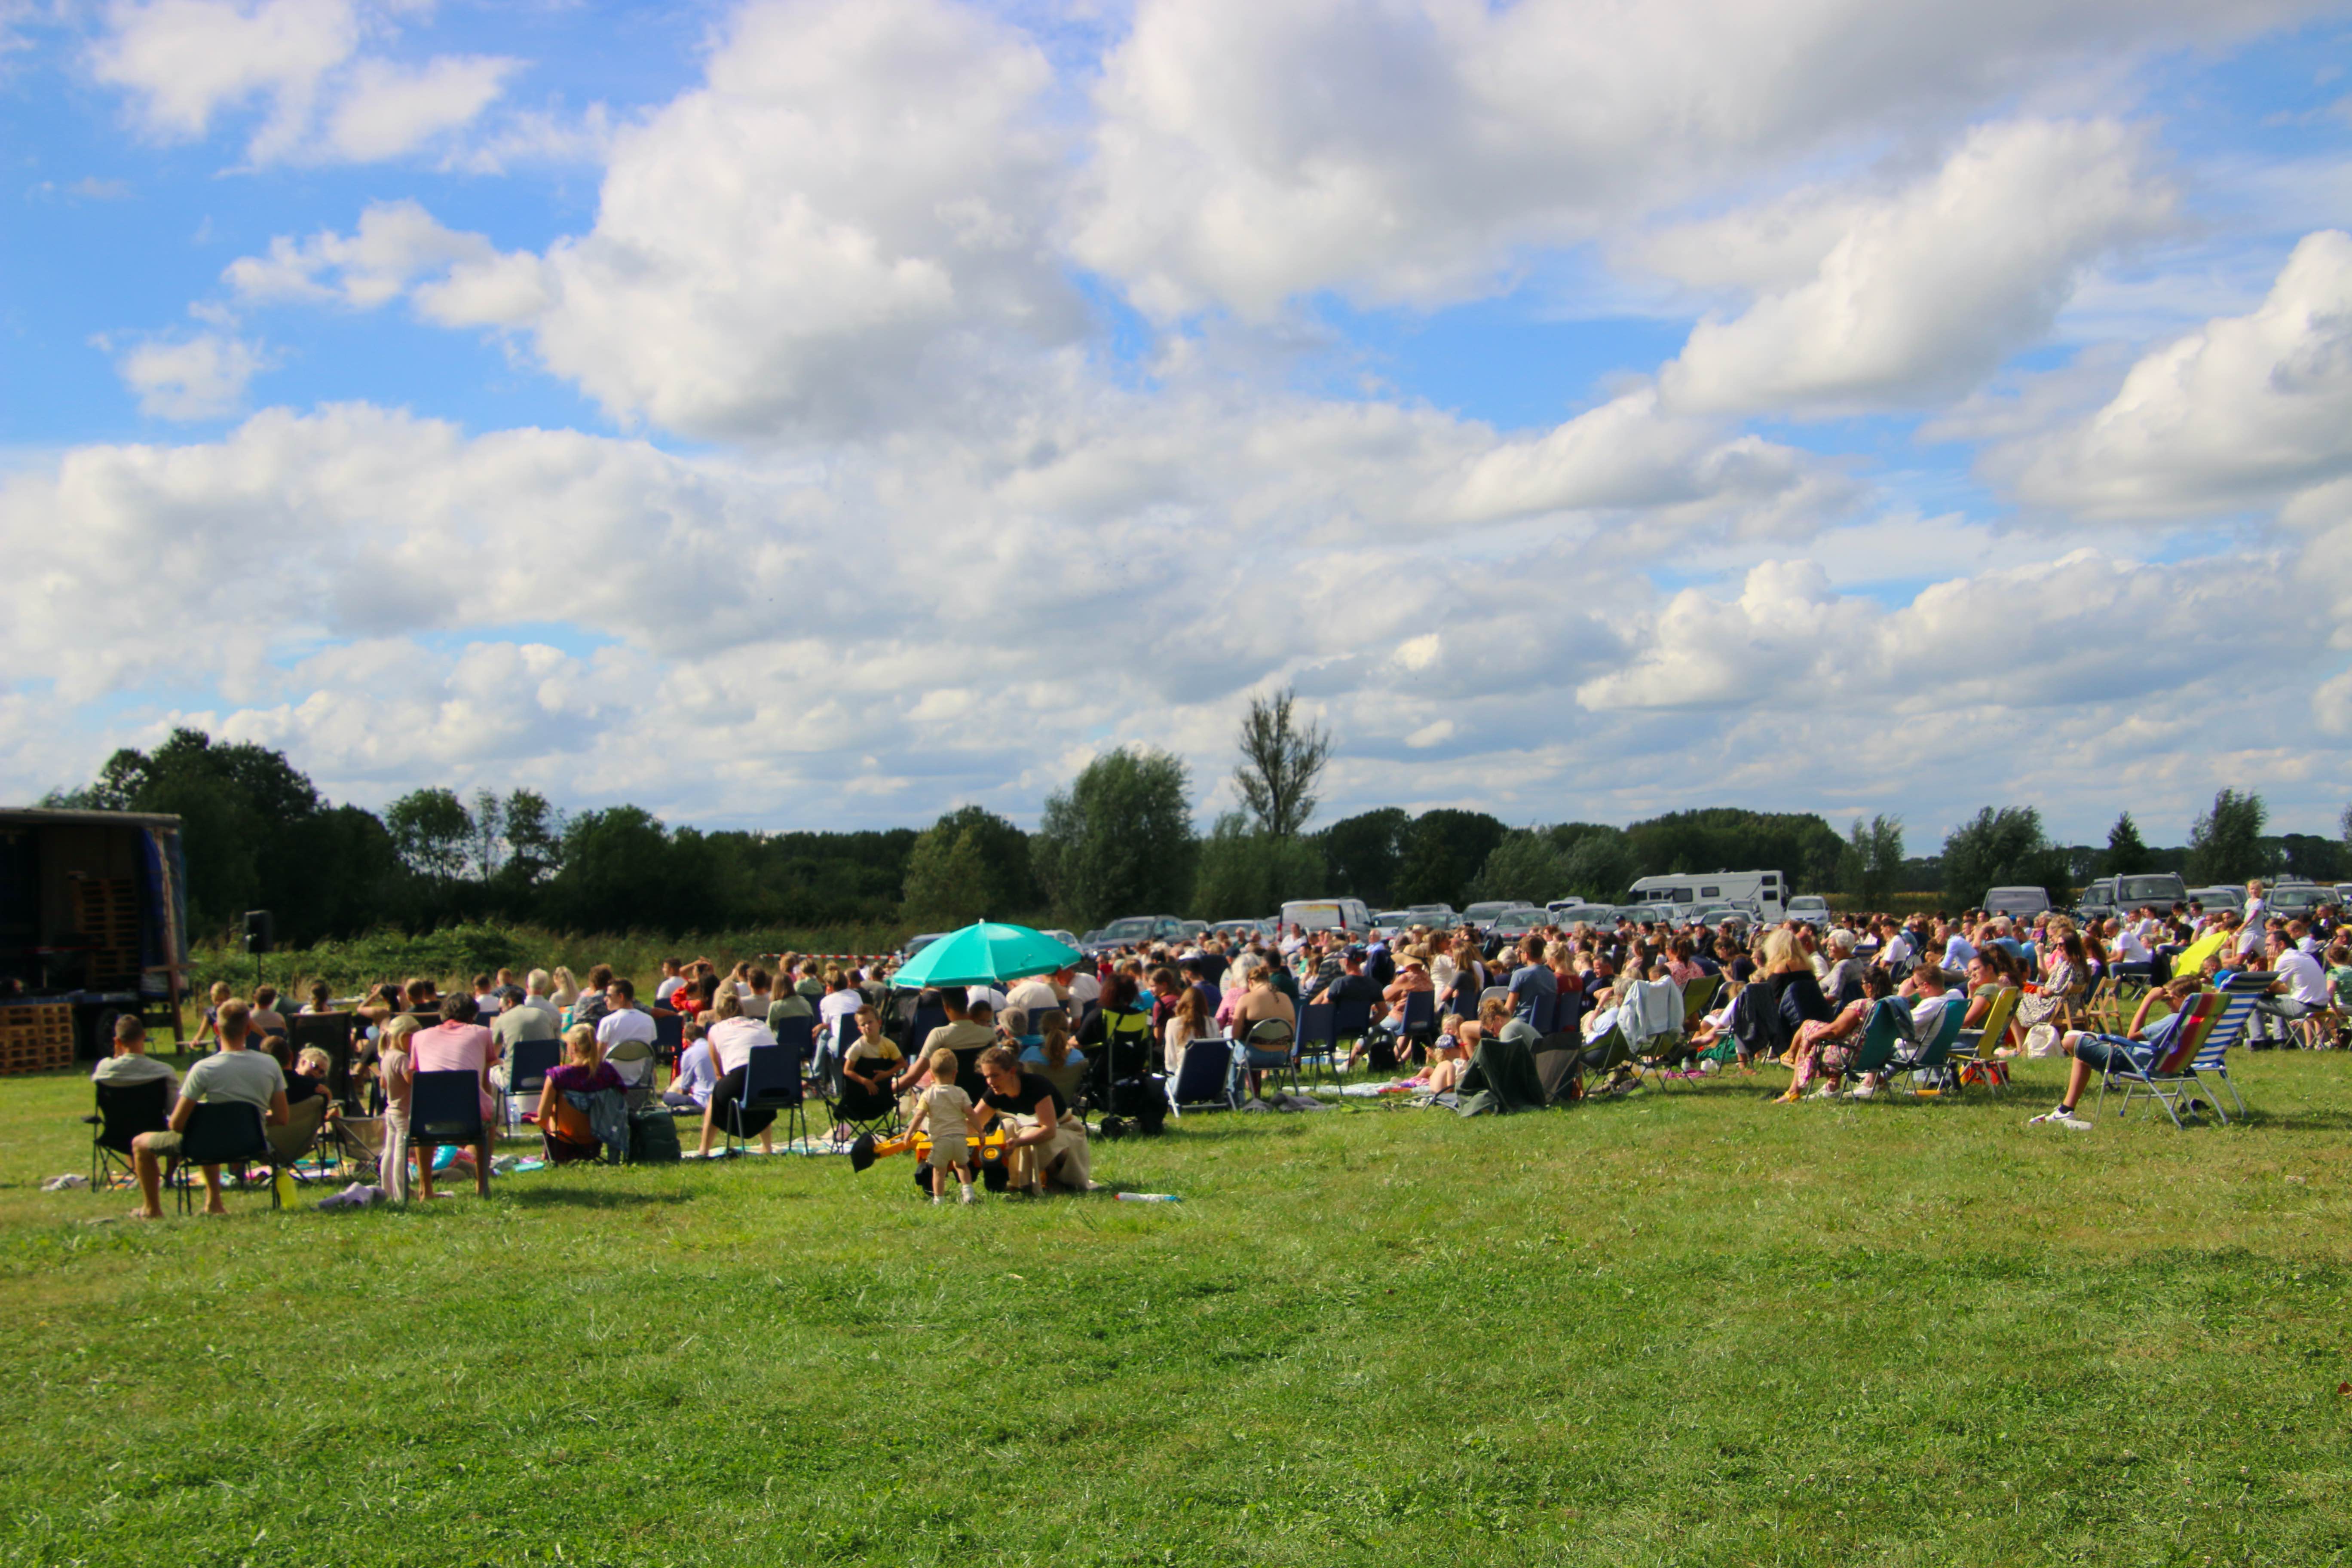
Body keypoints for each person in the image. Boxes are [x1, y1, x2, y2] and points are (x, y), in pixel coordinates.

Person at [129, 1000, 289, 1219]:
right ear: (249, 1029)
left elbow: (176, 1124)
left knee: (140, 1143)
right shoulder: (270, 1064)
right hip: (253, 1142)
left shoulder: (203, 1069)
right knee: (209, 1127)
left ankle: (153, 1209)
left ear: (216, 1029)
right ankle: (212, 1203)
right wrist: (251, 1121)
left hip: (206, 1145)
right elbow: (282, 1118)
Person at [2032, 977, 2206, 1130]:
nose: (2167, 1003)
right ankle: (2065, 1110)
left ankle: (2066, 1110)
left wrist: (2148, 1000)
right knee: (2081, 1051)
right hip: (2166, 1067)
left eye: (2169, 999)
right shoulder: (2197, 1019)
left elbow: (2132, 1035)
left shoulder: (2175, 1019)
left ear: (2184, 998)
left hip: (2134, 1062)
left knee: (2070, 1041)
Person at [971, 1045, 1091, 1195]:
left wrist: (1018, 1142)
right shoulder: (994, 1092)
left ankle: (1053, 1181)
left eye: (995, 1076)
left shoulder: (1036, 1086)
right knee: (1007, 1127)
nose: (990, 1081)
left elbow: (1049, 1130)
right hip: (1033, 1131)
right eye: (987, 1077)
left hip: (1066, 1131)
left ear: (1012, 1072)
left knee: (1030, 1134)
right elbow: (973, 1124)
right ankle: (1018, 1182)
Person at [697, 989, 780, 1157]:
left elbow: (719, 1073)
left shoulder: (716, 1030)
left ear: (719, 1014)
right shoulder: (761, 1025)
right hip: (773, 1082)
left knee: (715, 1098)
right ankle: (767, 1147)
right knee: (761, 1092)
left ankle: (703, 1150)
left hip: (739, 1076)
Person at [538, 1026, 625, 1164]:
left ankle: (547, 1156)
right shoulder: (608, 1073)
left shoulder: (557, 1075)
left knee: (549, 1114)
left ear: (573, 1047)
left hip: (563, 1140)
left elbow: (542, 1116)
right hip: (596, 1137)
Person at [903, 1050, 980, 1205]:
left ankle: (939, 1199)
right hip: (959, 1139)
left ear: (931, 1075)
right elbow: (971, 1114)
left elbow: (919, 1116)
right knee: (963, 1166)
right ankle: (969, 1194)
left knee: (939, 1171)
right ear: (955, 1073)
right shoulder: (960, 1092)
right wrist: (981, 1131)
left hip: (941, 1140)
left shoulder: (929, 1095)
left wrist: (909, 1134)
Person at [412, 994, 499, 1129]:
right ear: (473, 1016)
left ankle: (425, 1148)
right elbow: (485, 1079)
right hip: (472, 1113)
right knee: (486, 1120)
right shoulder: (483, 1033)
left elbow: (414, 1074)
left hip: (429, 1113)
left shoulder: (418, 1037)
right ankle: (480, 1150)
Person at [374, 1014, 419, 1202]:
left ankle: (387, 1190)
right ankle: (402, 1195)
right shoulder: (401, 1058)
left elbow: (384, 1084)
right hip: (403, 1112)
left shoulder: (386, 1056)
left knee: (389, 1153)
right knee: (401, 1154)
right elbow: (411, 1080)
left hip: (390, 1110)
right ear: (404, 1037)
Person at [93, 1014, 178, 1110]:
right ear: (144, 1035)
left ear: (117, 1041)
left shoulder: (104, 1069)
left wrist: (117, 1059)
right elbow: (174, 1110)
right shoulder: (165, 1072)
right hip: (153, 1124)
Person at [665, 1021, 719, 1112]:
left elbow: (685, 1088)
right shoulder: (715, 1047)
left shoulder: (689, 1054)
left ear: (688, 1040)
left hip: (702, 1100)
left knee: (668, 1097)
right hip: (719, 1096)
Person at [1161, 984, 1209, 1074]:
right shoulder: (1213, 1023)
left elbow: (1170, 1061)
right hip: (1208, 1074)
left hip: (1183, 1076)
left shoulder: (1173, 1023)